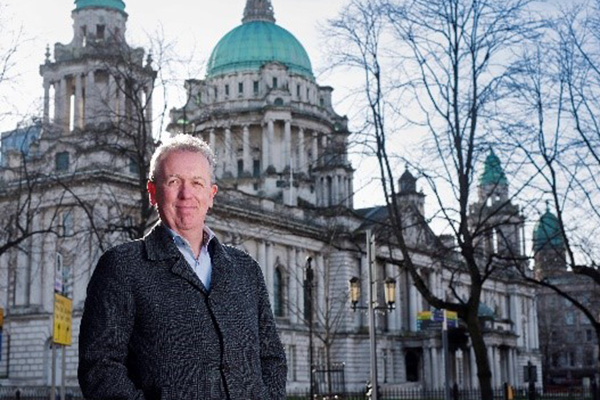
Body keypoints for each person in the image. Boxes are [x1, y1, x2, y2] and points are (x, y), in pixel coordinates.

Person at [78, 134, 287, 400]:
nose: (186, 194)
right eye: (174, 181)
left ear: (211, 195)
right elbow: (100, 368)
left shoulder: (247, 270)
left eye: (197, 183)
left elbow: (272, 358)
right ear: (152, 192)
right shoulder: (122, 266)